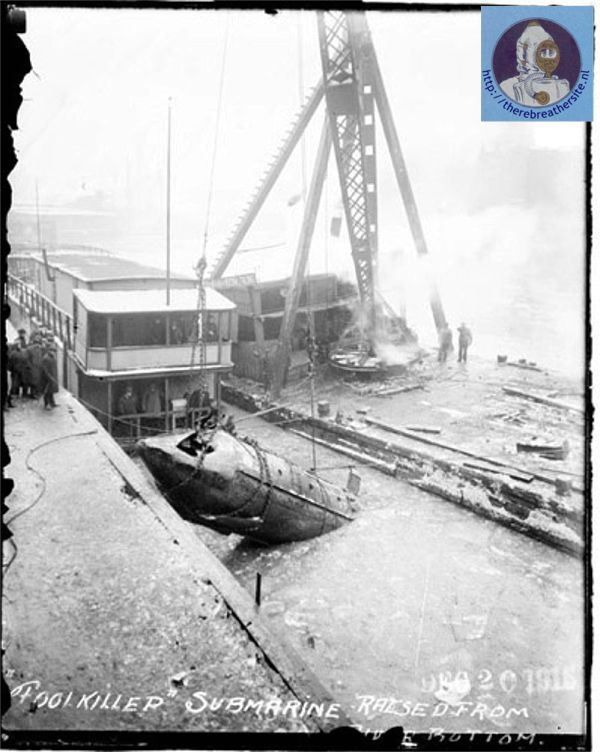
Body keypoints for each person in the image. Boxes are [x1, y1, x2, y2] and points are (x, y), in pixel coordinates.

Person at [499, 21, 569, 107]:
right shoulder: (507, 87)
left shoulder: (561, 86)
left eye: (551, 53)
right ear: (523, 54)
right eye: (543, 52)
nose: (547, 59)